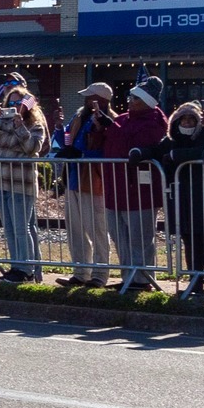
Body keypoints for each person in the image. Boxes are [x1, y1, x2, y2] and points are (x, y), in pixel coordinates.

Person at [149, 102, 204, 295]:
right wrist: (139, 153)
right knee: (191, 240)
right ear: (176, 121)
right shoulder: (171, 139)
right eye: (184, 119)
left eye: (192, 119)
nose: (188, 122)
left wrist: (176, 155)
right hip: (184, 200)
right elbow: (156, 150)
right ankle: (195, 280)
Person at [0, 84, 48, 282]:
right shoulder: (0, 123)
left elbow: (33, 147)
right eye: (11, 102)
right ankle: (18, 266)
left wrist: (19, 126)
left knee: (23, 227)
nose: (15, 105)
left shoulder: (35, 125)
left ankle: (27, 270)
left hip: (22, 183)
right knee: (9, 227)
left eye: (19, 102)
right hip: (1, 182)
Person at [98, 83, 168, 292]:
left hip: (139, 191)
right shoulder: (122, 119)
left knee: (140, 237)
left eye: (135, 98)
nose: (130, 100)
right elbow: (109, 140)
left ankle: (143, 278)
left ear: (146, 101)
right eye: (130, 96)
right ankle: (128, 275)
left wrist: (111, 126)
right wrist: (101, 127)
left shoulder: (155, 121)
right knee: (119, 235)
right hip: (116, 188)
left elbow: (133, 142)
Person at [55, 84, 116, 287]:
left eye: (91, 96)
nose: (87, 100)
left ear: (102, 99)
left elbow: (108, 149)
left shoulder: (110, 121)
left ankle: (100, 274)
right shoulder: (78, 117)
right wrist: (58, 128)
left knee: (97, 228)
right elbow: (66, 141)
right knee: (75, 228)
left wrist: (81, 154)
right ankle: (81, 272)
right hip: (73, 178)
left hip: (94, 179)